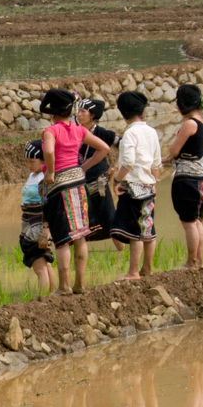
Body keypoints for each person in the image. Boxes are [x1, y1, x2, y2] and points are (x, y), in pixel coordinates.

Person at [38, 88, 111, 295]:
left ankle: (64, 286)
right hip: (78, 183)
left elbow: (49, 150)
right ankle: (79, 283)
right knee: (80, 235)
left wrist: (51, 171)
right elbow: (104, 148)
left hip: (59, 185)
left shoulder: (51, 131)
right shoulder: (79, 130)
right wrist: (84, 168)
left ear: (52, 113)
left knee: (62, 238)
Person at [110, 91, 162, 280]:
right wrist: (153, 182)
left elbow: (129, 162)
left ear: (123, 112)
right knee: (148, 229)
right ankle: (146, 269)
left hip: (133, 186)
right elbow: (156, 163)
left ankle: (133, 272)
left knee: (134, 233)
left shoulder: (130, 133)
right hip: (149, 185)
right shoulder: (151, 132)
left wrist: (117, 179)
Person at [166, 84, 203, 270]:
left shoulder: (189, 124)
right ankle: (198, 261)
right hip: (201, 177)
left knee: (188, 222)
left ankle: (191, 262)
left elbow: (175, 150)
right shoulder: (201, 123)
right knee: (197, 220)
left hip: (186, 179)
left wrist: (169, 155)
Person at [75, 98, 117, 267]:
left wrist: (115, 168)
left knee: (108, 216)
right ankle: (79, 252)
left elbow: (125, 146)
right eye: (78, 111)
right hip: (79, 180)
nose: (78, 115)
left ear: (92, 115)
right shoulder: (75, 131)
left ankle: (121, 250)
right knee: (81, 217)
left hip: (98, 181)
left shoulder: (103, 133)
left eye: (82, 112)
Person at [18, 142, 54, 295]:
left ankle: (43, 300)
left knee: (39, 266)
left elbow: (48, 206)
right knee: (45, 264)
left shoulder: (44, 178)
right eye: (26, 161)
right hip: (29, 224)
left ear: (44, 161)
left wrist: (45, 232)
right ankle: (52, 294)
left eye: (32, 161)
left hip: (38, 226)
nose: (29, 165)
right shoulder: (33, 175)